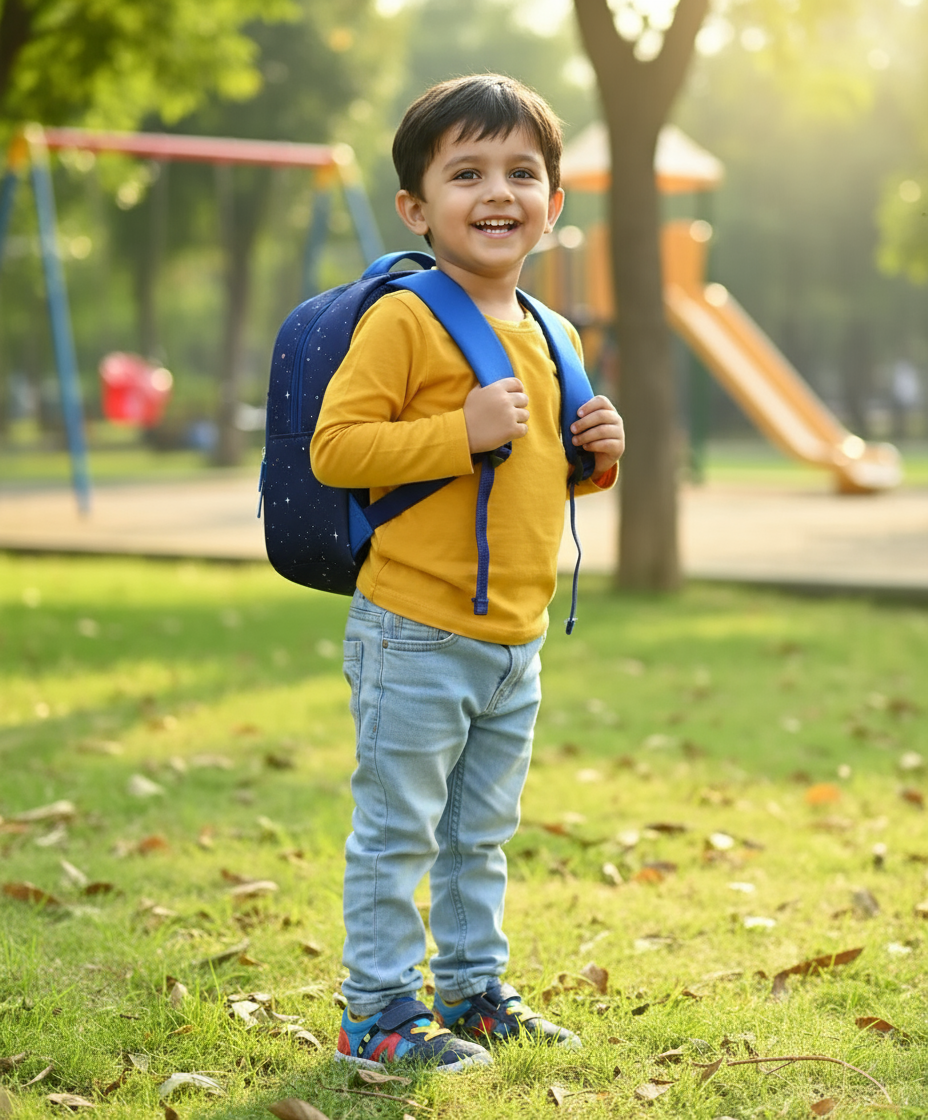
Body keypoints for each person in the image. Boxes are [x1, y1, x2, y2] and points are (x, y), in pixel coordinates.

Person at [310, 73, 625, 1073]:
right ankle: (377, 1013)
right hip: (413, 630)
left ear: (553, 203)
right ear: (416, 207)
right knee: (396, 834)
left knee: (478, 835)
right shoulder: (405, 319)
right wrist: (459, 430)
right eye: (467, 173)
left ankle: (474, 991)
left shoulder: (552, 330)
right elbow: (336, 450)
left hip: (512, 643)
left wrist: (597, 456)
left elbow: (536, 473)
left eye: (521, 173)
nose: (498, 191)